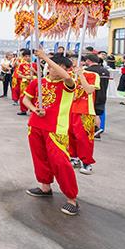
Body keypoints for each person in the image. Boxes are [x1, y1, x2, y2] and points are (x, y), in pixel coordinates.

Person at [22, 50, 80, 216]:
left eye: (59, 66)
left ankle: (71, 198)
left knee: (60, 163)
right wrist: (34, 109)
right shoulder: (38, 82)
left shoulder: (68, 83)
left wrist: (46, 58)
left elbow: (66, 76)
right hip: (35, 125)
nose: (53, 69)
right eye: (53, 66)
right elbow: (26, 99)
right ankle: (45, 187)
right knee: (39, 158)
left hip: (56, 129)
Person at [68, 64, 97, 174]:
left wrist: (81, 75)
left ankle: (86, 162)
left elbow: (89, 90)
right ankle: (74, 158)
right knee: (70, 135)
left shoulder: (92, 75)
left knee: (83, 137)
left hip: (84, 110)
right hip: (69, 109)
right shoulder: (68, 75)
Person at [84, 54, 111, 138]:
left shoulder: (87, 71)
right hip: (103, 94)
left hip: (92, 95)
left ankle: (94, 130)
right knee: (97, 114)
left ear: (88, 60)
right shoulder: (106, 71)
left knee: (92, 114)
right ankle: (97, 130)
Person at [12, 49, 35, 114]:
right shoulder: (21, 65)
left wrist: (33, 71)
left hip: (33, 82)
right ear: (24, 57)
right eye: (26, 56)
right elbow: (18, 74)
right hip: (24, 82)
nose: (28, 58)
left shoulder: (34, 64)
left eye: (29, 56)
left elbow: (40, 74)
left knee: (33, 96)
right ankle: (23, 110)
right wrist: (26, 77)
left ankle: (32, 110)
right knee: (23, 95)